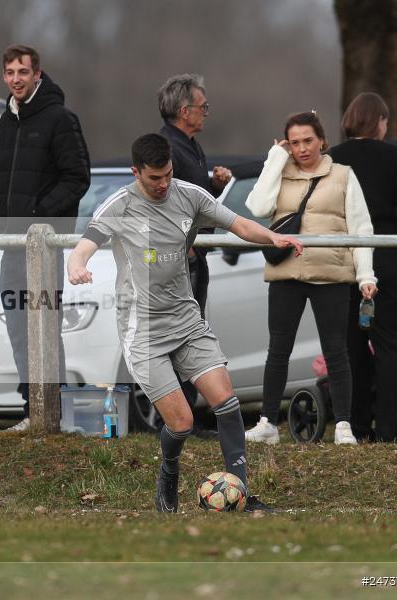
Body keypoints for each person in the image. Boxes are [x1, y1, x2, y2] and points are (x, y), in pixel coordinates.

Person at [68, 133, 296, 513]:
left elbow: (238, 224)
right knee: (183, 422)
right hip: (144, 332)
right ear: (135, 172)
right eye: (154, 178)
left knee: (225, 400)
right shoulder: (119, 206)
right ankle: (168, 472)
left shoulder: (190, 195)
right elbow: (84, 247)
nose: (163, 185)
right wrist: (77, 267)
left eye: (168, 175)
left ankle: (241, 492)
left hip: (186, 321)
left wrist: (273, 237)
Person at [245, 111, 377, 445]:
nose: (302, 148)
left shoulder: (344, 175)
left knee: (337, 351)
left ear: (321, 140)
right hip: (286, 272)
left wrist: (365, 275)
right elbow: (257, 207)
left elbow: (361, 228)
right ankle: (267, 423)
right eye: (294, 142)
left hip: (330, 273)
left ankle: (344, 425)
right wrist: (275, 158)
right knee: (278, 349)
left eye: (308, 140)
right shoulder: (280, 170)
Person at [0, 44, 90, 432]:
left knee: (45, 326)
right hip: (11, 247)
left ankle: (56, 413)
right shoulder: (5, 120)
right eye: (10, 72)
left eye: (23, 72)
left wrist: (36, 218)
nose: (16, 79)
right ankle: (32, 411)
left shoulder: (60, 118)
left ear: (37, 74)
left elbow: (78, 177)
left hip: (44, 246)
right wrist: (1, 222)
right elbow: (3, 181)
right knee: (18, 328)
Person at [329, 93, 397, 442]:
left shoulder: (333, 160)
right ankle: (390, 428)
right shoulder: (396, 159)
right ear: (380, 122)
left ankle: (353, 425)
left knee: (349, 347)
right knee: (391, 347)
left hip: (344, 260)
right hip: (387, 256)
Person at [158, 74, 232, 437]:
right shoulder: (165, 146)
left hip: (194, 253)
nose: (206, 113)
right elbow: (160, 198)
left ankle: (185, 416)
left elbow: (196, 199)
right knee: (180, 335)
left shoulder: (189, 144)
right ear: (184, 111)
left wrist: (214, 186)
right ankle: (176, 420)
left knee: (191, 332)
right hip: (179, 256)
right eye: (203, 107)